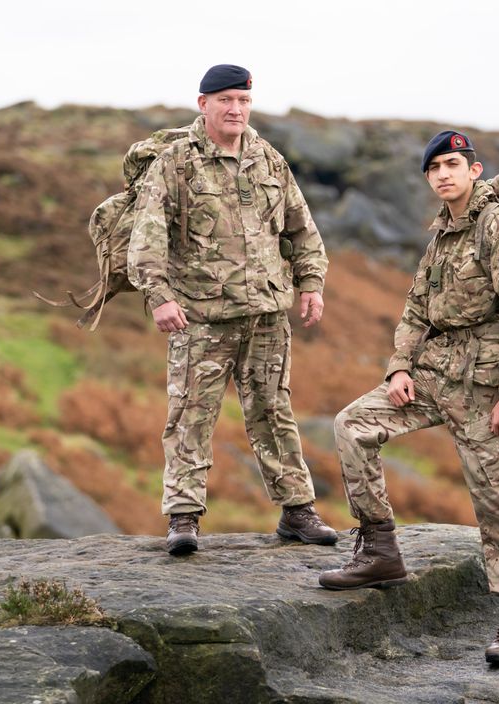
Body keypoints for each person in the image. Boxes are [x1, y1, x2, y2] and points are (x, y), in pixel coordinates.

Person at [318, 130, 499, 665]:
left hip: (487, 388)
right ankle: (379, 551)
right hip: (433, 377)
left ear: (475, 170)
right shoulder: (441, 236)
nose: (443, 174)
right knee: (352, 425)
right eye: (434, 168)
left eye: (453, 164)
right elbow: (415, 310)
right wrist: (399, 367)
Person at [128, 64, 337, 555]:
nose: (236, 109)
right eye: (225, 100)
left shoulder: (268, 159)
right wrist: (159, 296)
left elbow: (301, 230)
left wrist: (311, 284)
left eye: (243, 101)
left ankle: (297, 511)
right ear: (203, 105)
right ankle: (183, 517)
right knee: (190, 416)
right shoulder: (176, 163)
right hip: (200, 316)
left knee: (274, 412)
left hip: (266, 315)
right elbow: (147, 237)